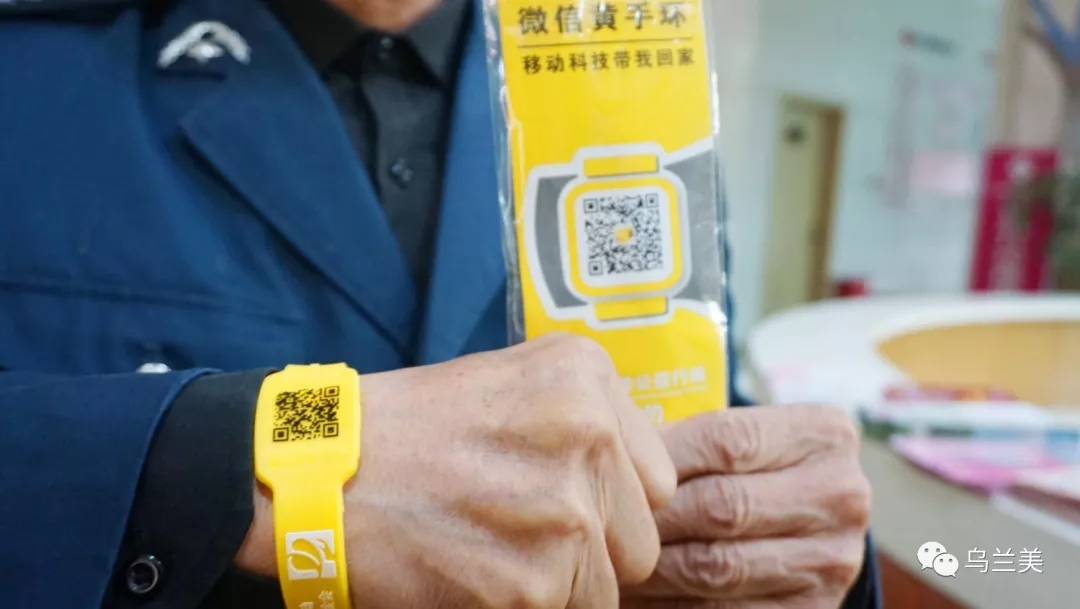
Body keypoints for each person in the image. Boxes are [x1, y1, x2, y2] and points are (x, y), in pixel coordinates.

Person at [0, 0, 878, 607]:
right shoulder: (32, 70)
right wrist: (262, 464)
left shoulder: (624, 98)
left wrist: (776, 539)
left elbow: (669, 437)